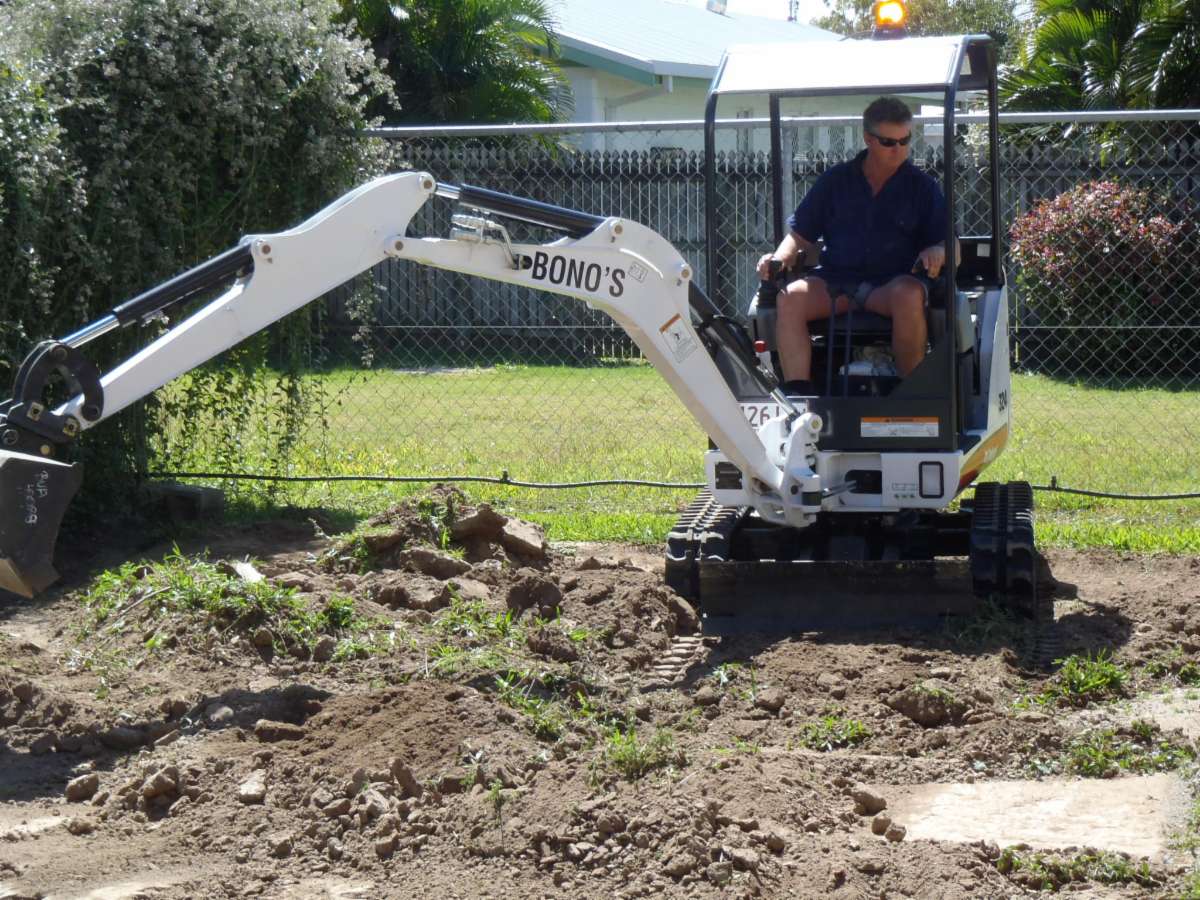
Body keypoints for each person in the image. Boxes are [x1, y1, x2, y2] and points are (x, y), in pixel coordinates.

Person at [756, 96, 953, 395]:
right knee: (789, 298)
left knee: (909, 295)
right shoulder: (835, 181)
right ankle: (799, 397)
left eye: (905, 140)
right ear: (868, 139)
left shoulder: (923, 187)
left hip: (891, 284)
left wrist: (939, 250)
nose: (899, 149)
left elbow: (950, 243)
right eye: (889, 142)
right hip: (836, 282)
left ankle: (910, 396)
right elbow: (799, 235)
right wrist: (778, 258)